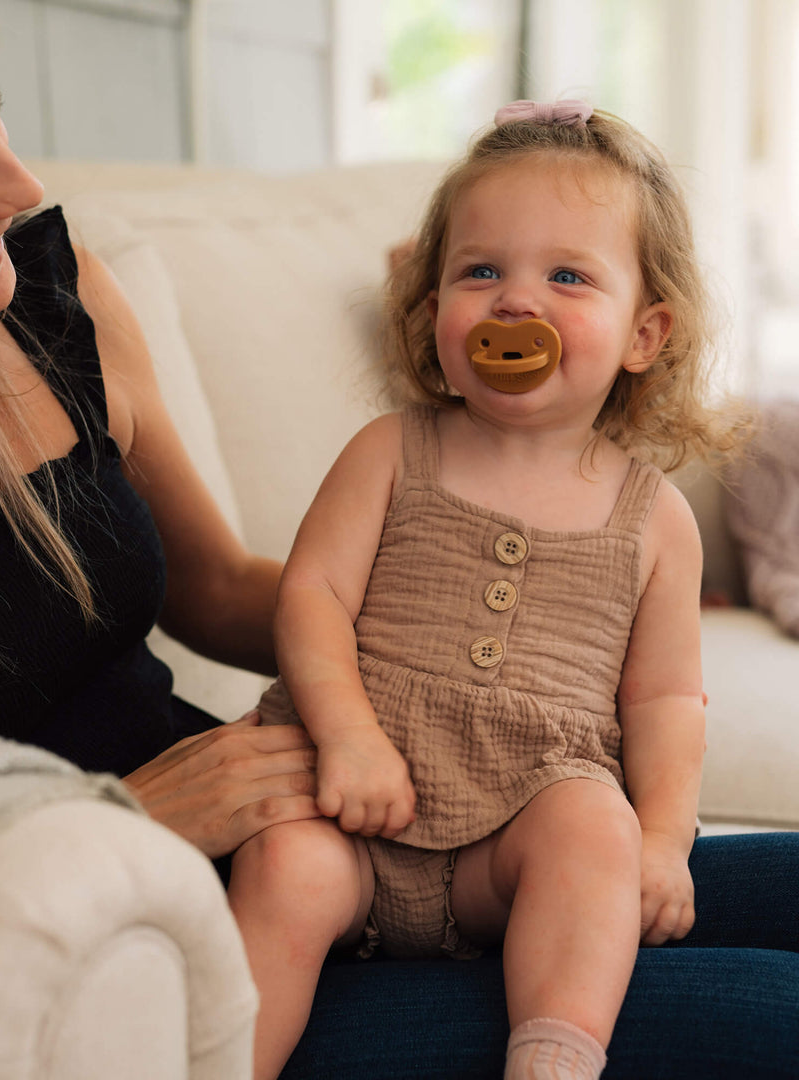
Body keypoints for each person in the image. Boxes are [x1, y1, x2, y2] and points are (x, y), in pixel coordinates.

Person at [0, 5, 796, 1075]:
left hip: (343, 798)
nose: (26, 188)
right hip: (154, 922)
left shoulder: (53, 299)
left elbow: (231, 586)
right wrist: (121, 816)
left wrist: (484, 664)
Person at [228, 101, 758, 1080]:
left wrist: (663, 838)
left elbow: (666, 700)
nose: (519, 302)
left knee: (589, 829)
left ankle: (553, 1057)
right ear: (434, 318)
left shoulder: (654, 518)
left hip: (502, 854)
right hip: (350, 815)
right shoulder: (390, 453)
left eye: (567, 275)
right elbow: (312, 600)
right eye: (482, 271)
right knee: (281, 863)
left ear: (645, 331)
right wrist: (346, 736)